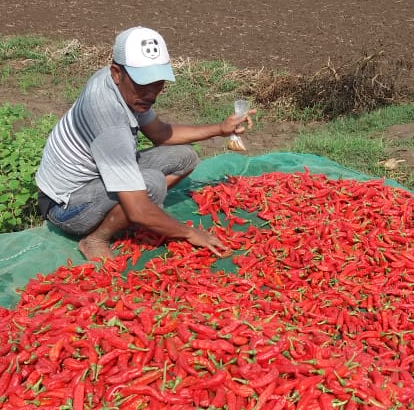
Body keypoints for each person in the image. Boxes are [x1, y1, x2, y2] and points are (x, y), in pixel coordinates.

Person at [35, 26, 255, 261]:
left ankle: (125, 214)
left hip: (95, 179)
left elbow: (160, 134)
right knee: (150, 186)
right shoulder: (109, 120)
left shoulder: (121, 88)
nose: (151, 93)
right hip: (65, 205)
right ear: (117, 73)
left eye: (158, 82)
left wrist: (220, 129)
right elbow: (139, 206)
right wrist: (189, 233)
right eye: (143, 83)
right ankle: (96, 239)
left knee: (185, 156)